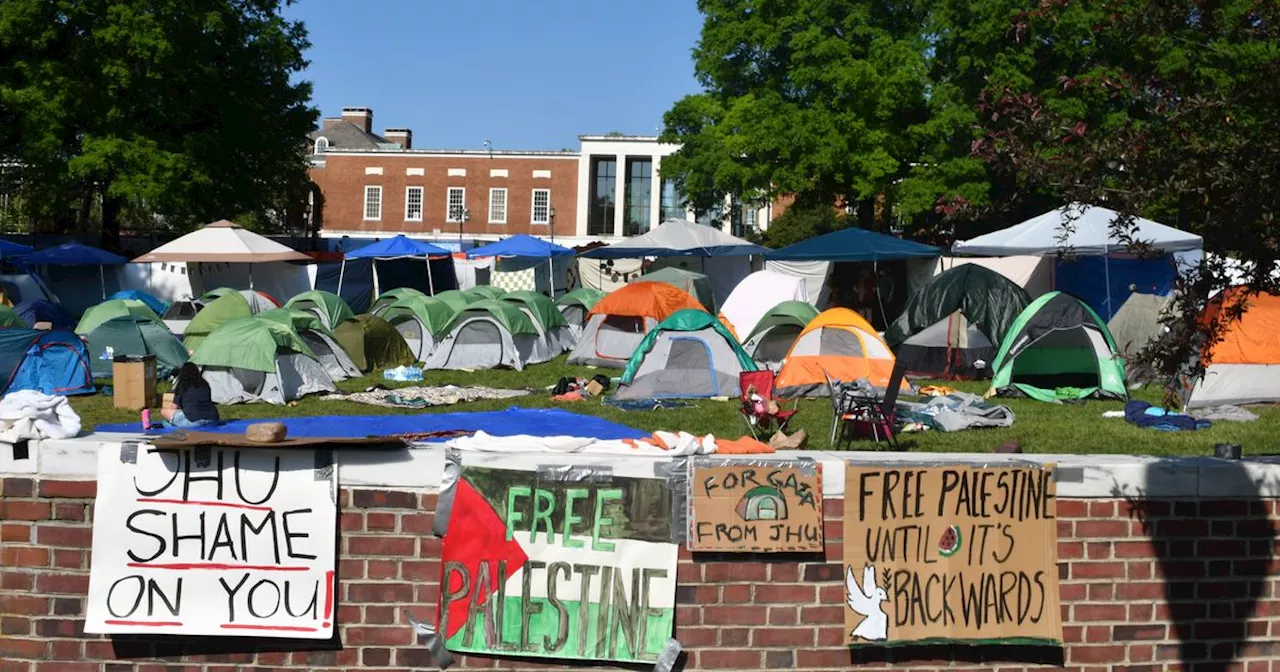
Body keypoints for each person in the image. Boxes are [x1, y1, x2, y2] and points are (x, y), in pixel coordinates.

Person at [162, 363, 220, 428]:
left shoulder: (182, 385)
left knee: (164, 412)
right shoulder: (205, 384)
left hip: (194, 421)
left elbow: (173, 407)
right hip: (213, 419)